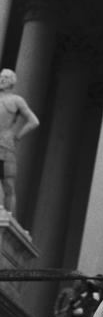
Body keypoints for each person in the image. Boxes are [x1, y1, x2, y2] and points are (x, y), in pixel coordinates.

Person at [0, 68, 39, 219]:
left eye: (6, 78)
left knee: (8, 183)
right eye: (1, 77)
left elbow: (33, 121)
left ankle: (10, 216)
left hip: (5, 144)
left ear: (12, 82)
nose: (2, 79)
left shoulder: (16, 100)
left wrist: (17, 136)